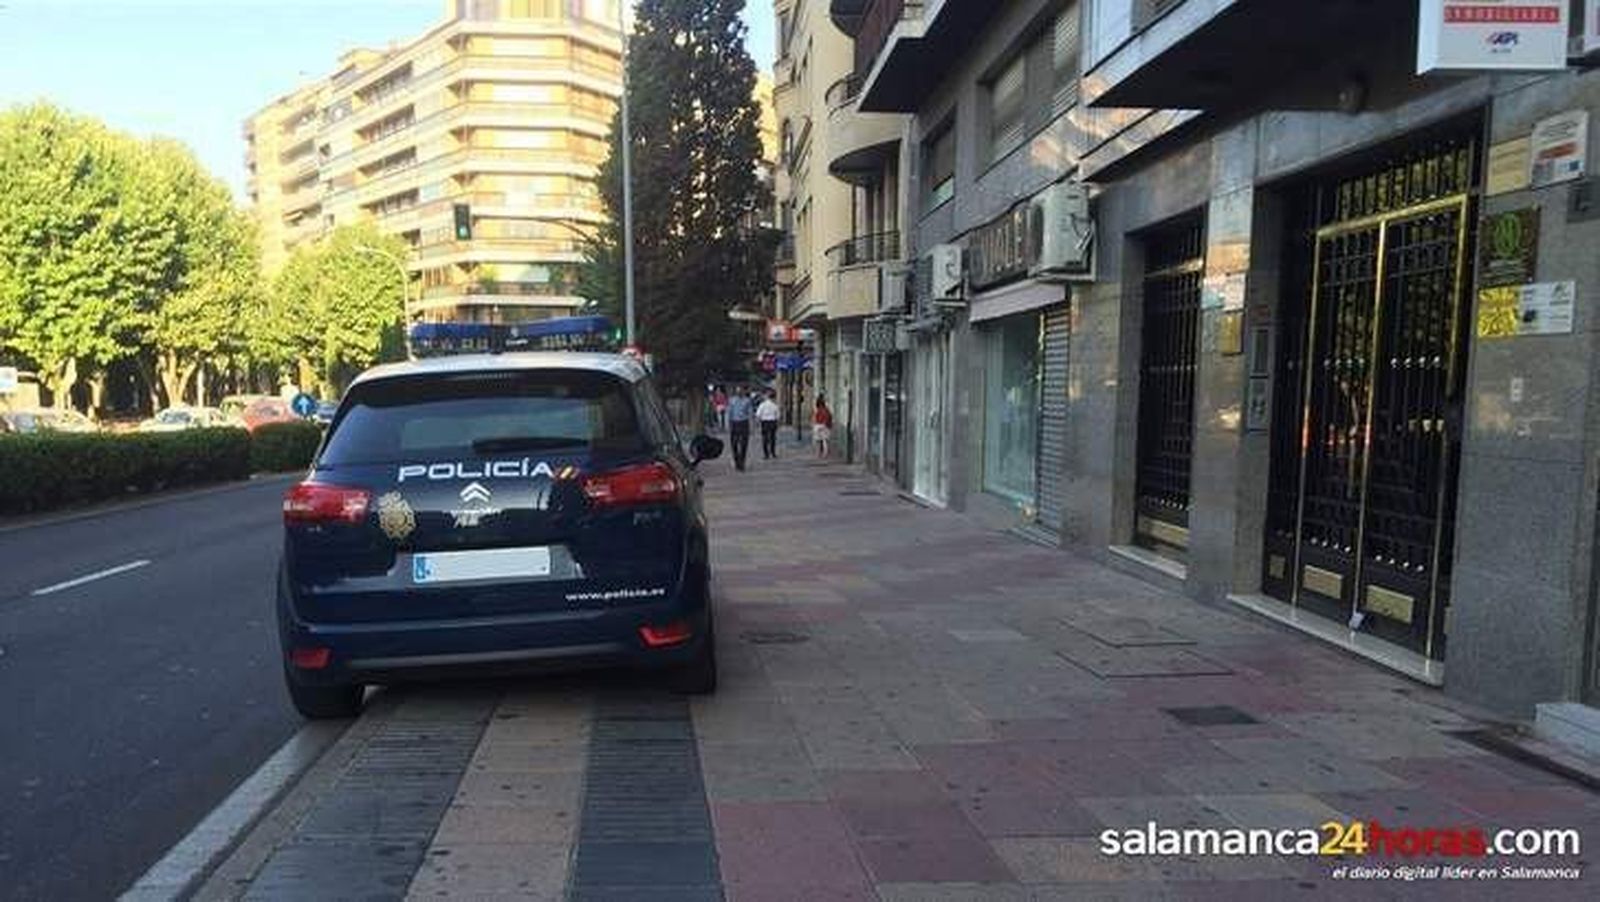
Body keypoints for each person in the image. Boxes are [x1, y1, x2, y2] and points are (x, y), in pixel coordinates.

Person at [726, 386, 753, 471]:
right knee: (734, 443)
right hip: (734, 423)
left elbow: (750, 413)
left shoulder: (747, 401)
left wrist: (751, 426)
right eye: (738, 391)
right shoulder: (732, 401)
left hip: (744, 423)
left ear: (743, 392)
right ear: (736, 392)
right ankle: (737, 461)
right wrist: (728, 425)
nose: (739, 392)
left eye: (741, 391)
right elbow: (729, 412)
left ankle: (742, 462)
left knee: (744, 444)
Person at [756, 390, 781, 459]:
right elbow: (778, 416)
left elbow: (758, 415)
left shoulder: (762, 405)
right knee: (772, 438)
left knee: (765, 438)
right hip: (772, 422)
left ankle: (766, 454)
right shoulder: (775, 405)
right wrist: (777, 424)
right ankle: (773, 453)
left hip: (764, 422)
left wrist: (758, 423)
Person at [812, 393, 834, 459]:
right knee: (825, 441)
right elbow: (829, 417)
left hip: (818, 425)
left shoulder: (818, 410)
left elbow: (815, 418)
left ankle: (818, 453)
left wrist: (815, 424)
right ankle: (825, 453)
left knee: (818, 440)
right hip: (824, 426)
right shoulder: (826, 410)